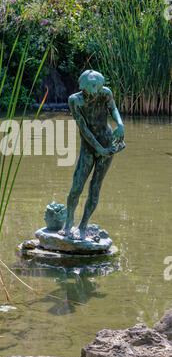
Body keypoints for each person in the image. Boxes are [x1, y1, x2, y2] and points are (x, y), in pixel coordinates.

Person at [59, 70, 125, 240]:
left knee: (95, 187)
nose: (94, 89)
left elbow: (113, 108)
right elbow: (84, 129)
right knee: (77, 186)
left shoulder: (105, 93)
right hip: (88, 146)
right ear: (83, 85)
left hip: (107, 142)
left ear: (101, 84)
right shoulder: (75, 100)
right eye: (91, 86)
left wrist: (120, 123)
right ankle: (69, 221)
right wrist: (98, 149)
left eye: (97, 85)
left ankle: (83, 226)